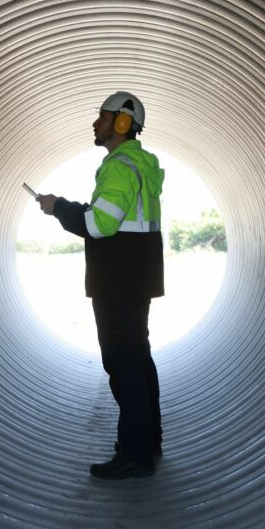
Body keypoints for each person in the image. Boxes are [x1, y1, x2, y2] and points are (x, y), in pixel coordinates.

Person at [36, 92, 165, 479]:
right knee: (138, 360)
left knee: (123, 364)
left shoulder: (119, 165)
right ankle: (147, 440)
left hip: (118, 279)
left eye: (103, 117)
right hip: (136, 276)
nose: (96, 123)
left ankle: (135, 454)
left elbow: (99, 225)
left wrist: (58, 206)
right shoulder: (144, 164)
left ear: (122, 123)